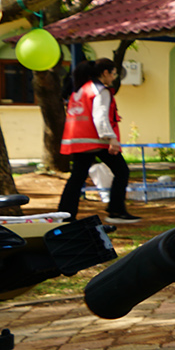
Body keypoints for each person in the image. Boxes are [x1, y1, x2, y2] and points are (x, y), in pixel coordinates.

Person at [57, 57, 140, 225]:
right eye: (114, 73)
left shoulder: (80, 89)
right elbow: (99, 117)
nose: (114, 77)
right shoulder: (100, 90)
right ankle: (116, 211)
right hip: (96, 141)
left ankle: (65, 215)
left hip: (78, 139)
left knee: (77, 177)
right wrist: (112, 139)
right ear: (105, 73)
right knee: (121, 171)